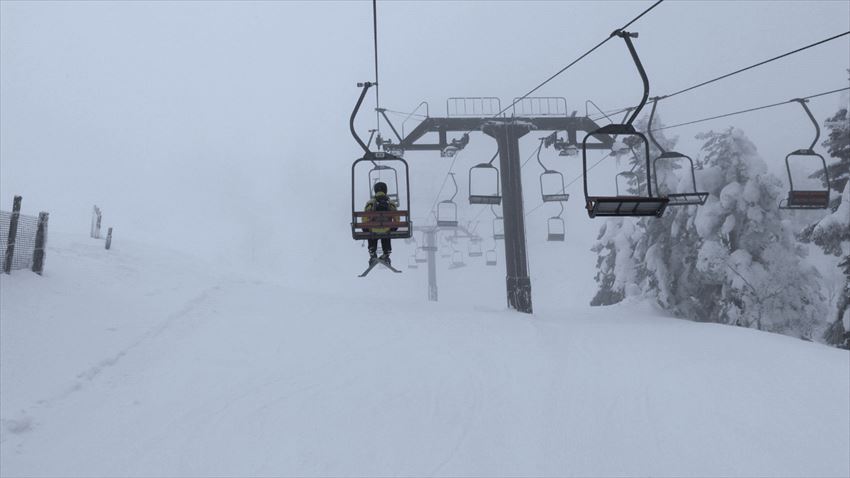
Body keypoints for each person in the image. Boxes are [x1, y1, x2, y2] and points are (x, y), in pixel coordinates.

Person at [364, 181, 397, 265]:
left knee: (371, 231)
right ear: (385, 191)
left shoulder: (370, 203)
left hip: (373, 229)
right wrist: (394, 227)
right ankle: (386, 252)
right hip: (386, 229)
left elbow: (364, 218)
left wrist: (365, 228)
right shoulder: (391, 203)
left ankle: (372, 250)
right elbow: (397, 218)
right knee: (386, 232)